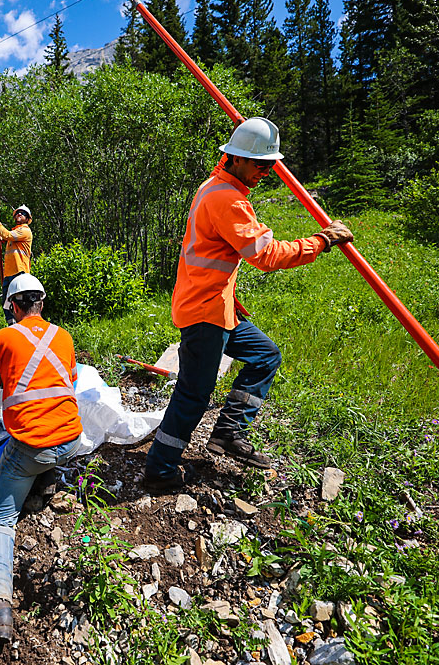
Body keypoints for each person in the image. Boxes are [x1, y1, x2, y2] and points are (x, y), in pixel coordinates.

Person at [142, 117, 354, 493]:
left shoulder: (216, 185)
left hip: (218, 308)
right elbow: (266, 255)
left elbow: (229, 178)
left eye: (271, 165)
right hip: (205, 311)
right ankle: (160, 470)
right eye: (260, 164)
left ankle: (228, 431)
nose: (266, 172)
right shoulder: (227, 200)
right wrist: (322, 241)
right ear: (235, 159)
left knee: (265, 356)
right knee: (193, 394)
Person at [0, 274, 81, 643]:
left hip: (32, 446)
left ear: (14, 307)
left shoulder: (4, 338)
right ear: (40, 303)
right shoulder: (64, 336)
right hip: (70, 440)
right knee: (41, 454)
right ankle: (47, 479)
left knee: (0, 519)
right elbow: (66, 380)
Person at [0, 204, 33, 325]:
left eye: (23, 213)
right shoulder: (16, 232)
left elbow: (8, 235)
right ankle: (12, 325)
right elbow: (7, 237)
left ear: (27, 219)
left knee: (19, 300)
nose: (19, 214)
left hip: (19, 271)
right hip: (9, 273)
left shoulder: (25, 231)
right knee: (7, 302)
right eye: (18, 212)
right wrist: (1, 240)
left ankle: (21, 324)